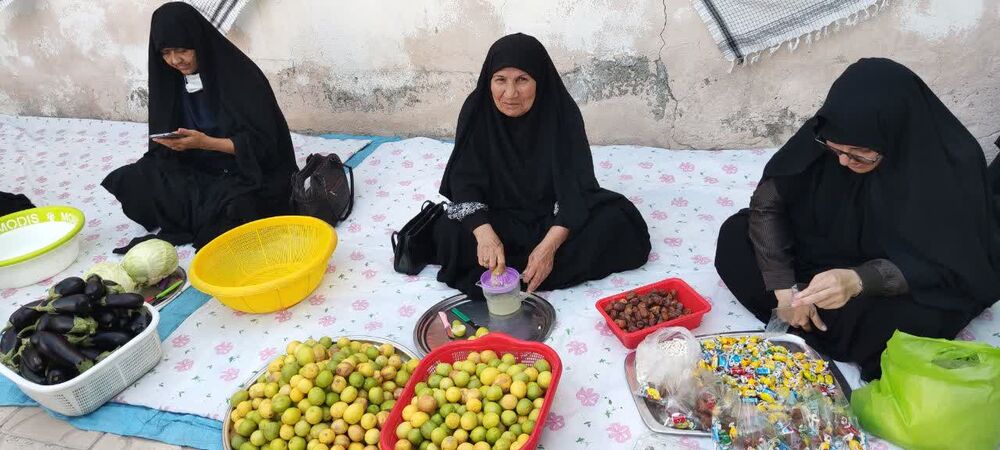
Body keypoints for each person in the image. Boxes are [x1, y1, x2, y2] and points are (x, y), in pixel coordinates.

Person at [715, 58, 1000, 380]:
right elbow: (769, 203)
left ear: (894, 136)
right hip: (820, 254)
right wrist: (785, 289)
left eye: (860, 155)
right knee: (735, 236)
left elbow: (953, 261)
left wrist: (859, 280)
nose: (843, 162)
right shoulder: (830, 132)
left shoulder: (950, 167)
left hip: (897, 278)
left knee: (914, 324)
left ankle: (820, 321)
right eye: (835, 150)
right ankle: (803, 311)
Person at [433, 33, 651, 300]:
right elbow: (464, 182)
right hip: (498, 217)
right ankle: (523, 269)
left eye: (522, 80)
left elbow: (576, 188)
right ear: (489, 79)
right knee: (449, 232)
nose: (510, 93)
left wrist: (548, 247)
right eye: (500, 80)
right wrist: (485, 234)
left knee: (616, 223)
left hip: (553, 217)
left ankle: (514, 271)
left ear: (539, 80)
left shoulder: (561, 112)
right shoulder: (477, 109)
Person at [102, 2, 297, 251]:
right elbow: (161, 148)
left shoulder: (240, 77)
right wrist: (173, 146)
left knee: (238, 209)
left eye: (182, 50)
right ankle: (200, 213)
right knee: (134, 178)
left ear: (199, 41)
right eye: (165, 52)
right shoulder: (171, 79)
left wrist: (205, 143)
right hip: (199, 168)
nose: (175, 60)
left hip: (246, 173)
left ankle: (204, 215)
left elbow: (266, 147)